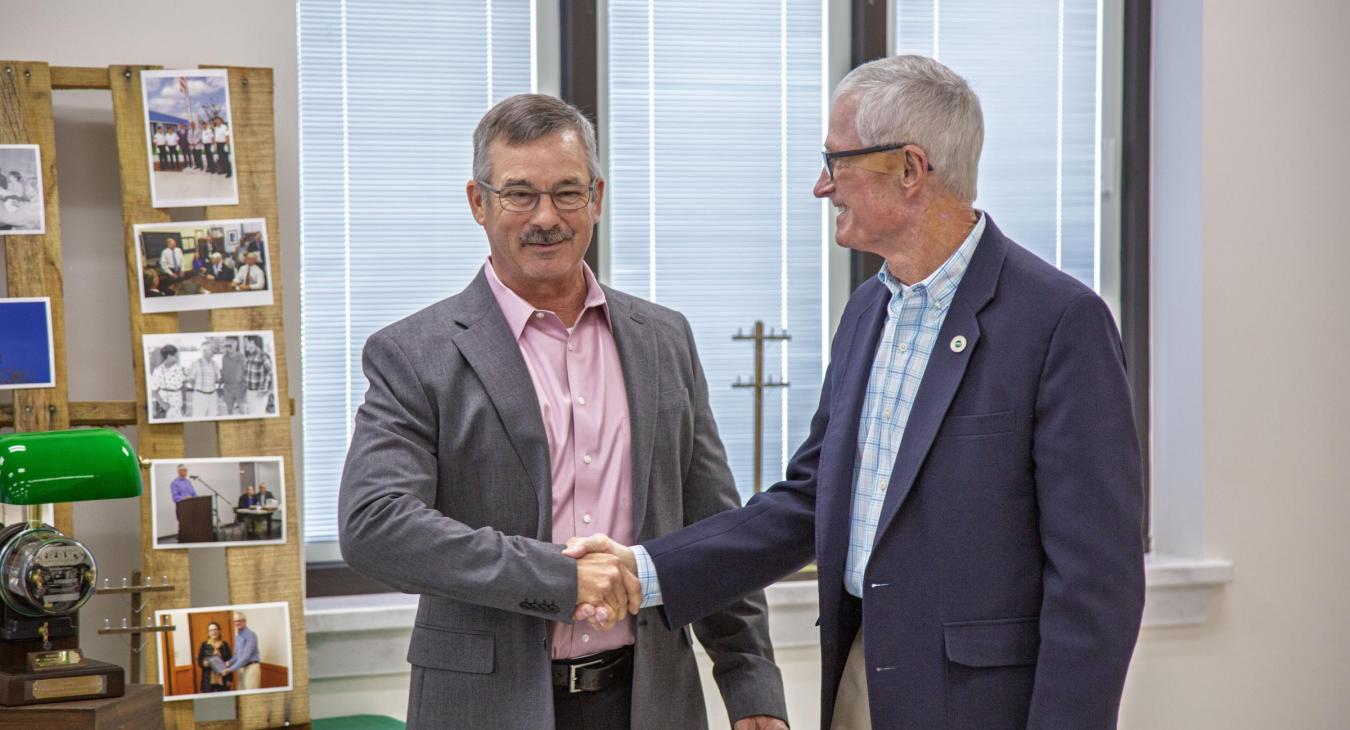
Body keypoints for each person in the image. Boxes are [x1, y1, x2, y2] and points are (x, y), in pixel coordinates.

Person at [566, 55, 1146, 730]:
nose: (821, 186)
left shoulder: (1057, 322)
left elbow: (1097, 584)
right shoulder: (869, 311)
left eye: (837, 161)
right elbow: (812, 501)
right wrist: (649, 569)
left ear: (909, 168)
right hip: (863, 678)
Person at [338, 94, 787, 730]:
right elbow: (374, 525)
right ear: (478, 202)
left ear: (596, 198)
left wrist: (753, 692)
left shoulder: (665, 339)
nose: (546, 217)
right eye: (519, 193)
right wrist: (559, 578)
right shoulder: (414, 354)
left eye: (567, 192)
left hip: (650, 701)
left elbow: (712, 528)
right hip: (486, 709)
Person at [223, 612, 260, 690]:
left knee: (251, 694)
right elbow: (236, 655)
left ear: (245, 621)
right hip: (241, 668)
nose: (237, 623)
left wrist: (230, 669)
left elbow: (245, 657)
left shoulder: (251, 635)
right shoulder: (238, 636)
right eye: (235, 621)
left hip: (251, 668)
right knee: (241, 692)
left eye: (239, 620)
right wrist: (230, 662)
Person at [186, 341, 220, 419]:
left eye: (213, 349)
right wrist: (198, 390)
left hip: (213, 396)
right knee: (198, 419)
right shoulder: (195, 363)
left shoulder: (215, 364)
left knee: (213, 419)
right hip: (200, 396)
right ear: (204, 351)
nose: (213, 351)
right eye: (211, 349)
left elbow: (218, 379)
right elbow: (190, 380)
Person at [151, 345, 186, 420]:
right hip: (165, 404)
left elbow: (183, 387)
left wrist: (184, 404)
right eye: (175, 355)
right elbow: (154, 391)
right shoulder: (158, 370)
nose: (177, 357)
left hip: (178, 402)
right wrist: (163, 404)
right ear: (169, 356)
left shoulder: (179, 369)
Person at [197, 621, 233, 693]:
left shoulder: (225, 644)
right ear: (208, 633)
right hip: (208, 680)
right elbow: (199, 661)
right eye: (211, 630)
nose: (214, 632)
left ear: (219, 631)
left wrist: (229, 679)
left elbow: (230, 661)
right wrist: (204, 663)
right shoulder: (204, 645)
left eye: (215, 629)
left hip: (223, 678)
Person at [242, 336, 274, 416]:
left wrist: (269, 391)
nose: (244, 345)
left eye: (246, 342)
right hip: (249, 393)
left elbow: (273, 375)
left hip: (259, 395)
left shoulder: (263, 356)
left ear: (252, 342)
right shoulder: (249, 357)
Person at [219, 338, 246, 415]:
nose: (228, 347)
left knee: (242, 411)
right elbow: (223, 372)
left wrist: (244, 387)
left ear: (235, 346)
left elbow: (246, 372)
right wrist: (220, 386)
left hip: (239, 388)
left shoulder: (241, 357)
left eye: (230, 345)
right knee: (229, 411)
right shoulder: (224, 358)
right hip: (227, 388)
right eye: (226, 345)